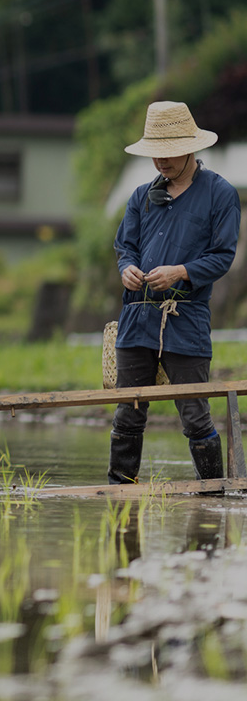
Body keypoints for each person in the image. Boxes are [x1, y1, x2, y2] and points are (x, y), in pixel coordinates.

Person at [109, 100, 241, 484]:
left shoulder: (220, 194)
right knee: (128, 412)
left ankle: (214, 495)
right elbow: (125, 247)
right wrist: (127, 270)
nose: (161, 163)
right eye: (155, 155)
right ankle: (120, 494)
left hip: (186, 320)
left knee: (195, 413)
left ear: (191, 149)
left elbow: (222, 256)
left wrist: (181, 271)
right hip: (137, 319)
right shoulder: (140, 196)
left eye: (168, 155)